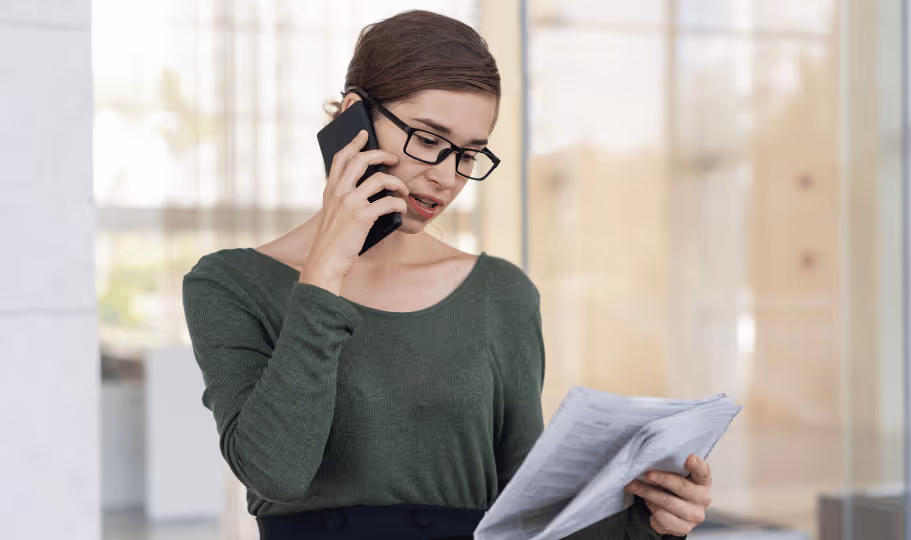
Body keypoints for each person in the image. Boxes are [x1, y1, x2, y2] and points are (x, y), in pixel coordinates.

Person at [182, 9, 711, 540]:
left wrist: (649, 523)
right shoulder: (229, 285)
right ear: (353, 118)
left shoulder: (501, 293)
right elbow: (277, 472)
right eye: (429, 140)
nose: (446, 176)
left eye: (470, 154)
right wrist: (325, 270)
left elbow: (524, 517)